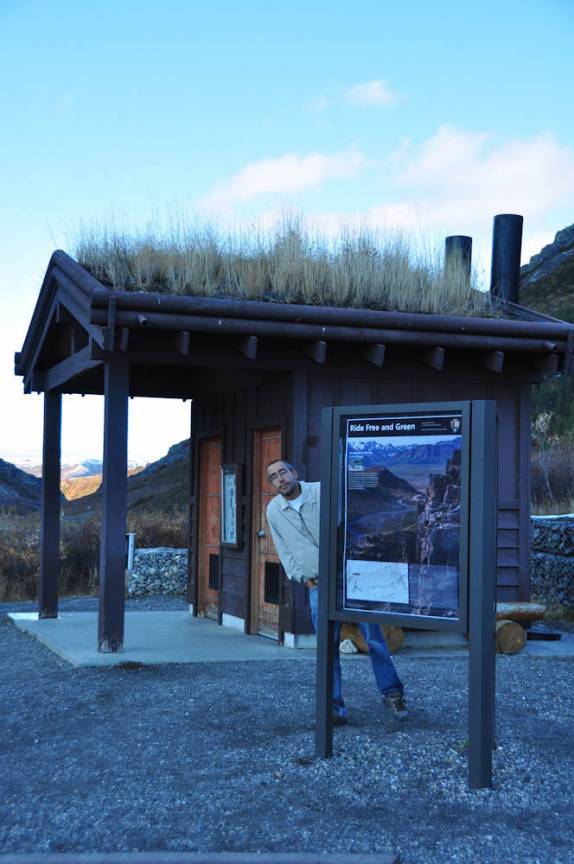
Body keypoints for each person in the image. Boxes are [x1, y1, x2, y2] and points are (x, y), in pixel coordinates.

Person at [265, 459, 407, 725]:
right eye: (273, 477)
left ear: (295, 473)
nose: (280, 479)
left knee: (374, 638)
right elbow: (283, 550)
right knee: (327, 649)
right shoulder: (274, 510)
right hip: (317, 584)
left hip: (351, 578)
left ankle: (393, 693)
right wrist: (304, 579)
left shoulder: (321, 491)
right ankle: (334, 708)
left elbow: (350, 518)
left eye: (283, 472)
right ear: (272, 484)